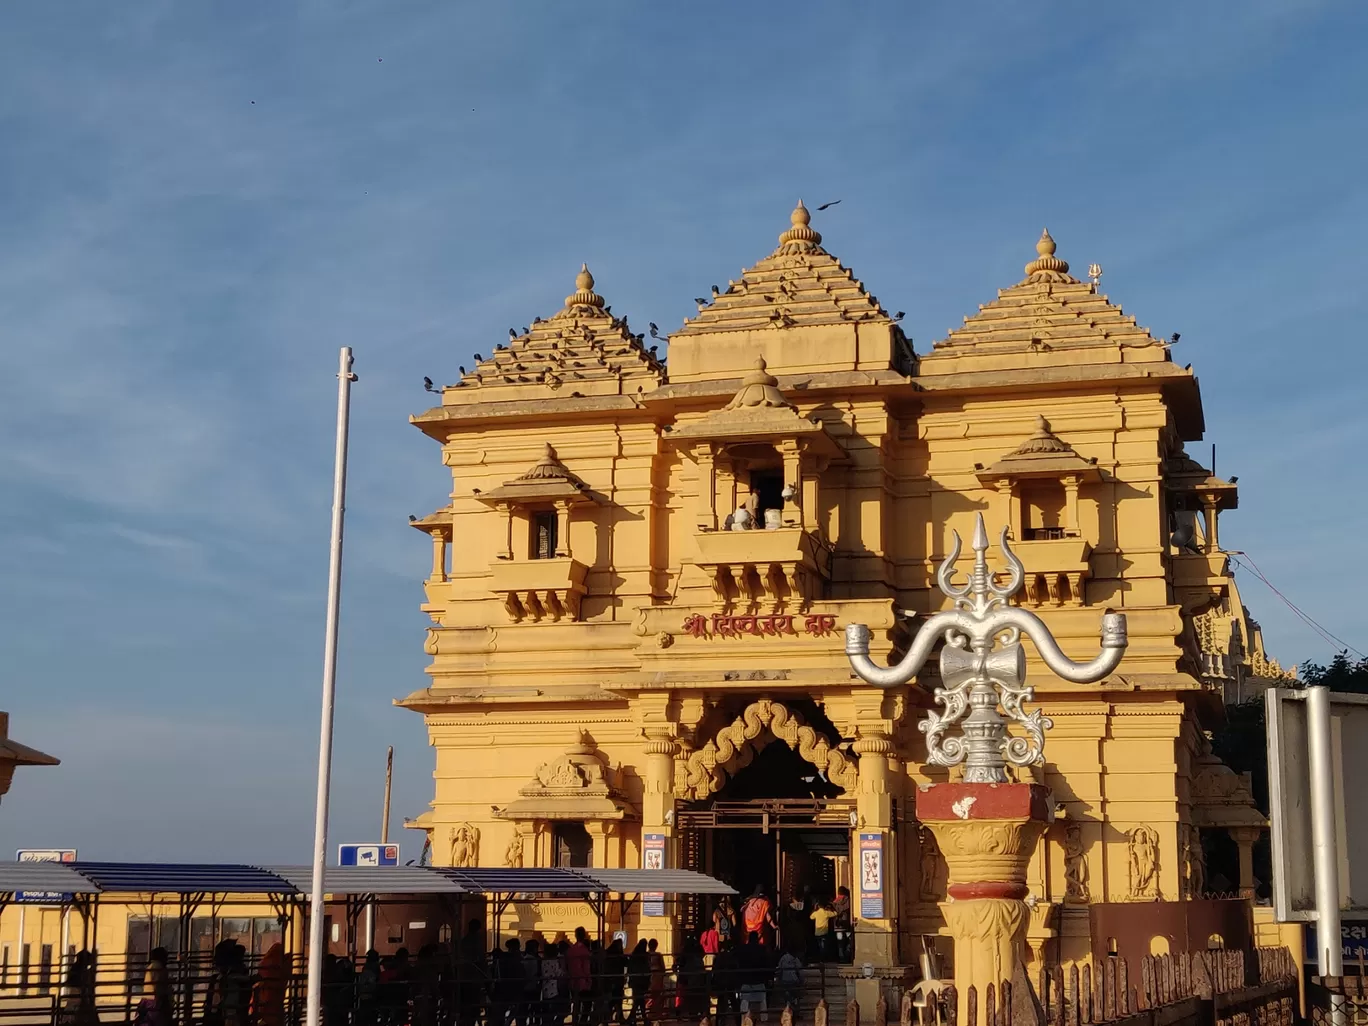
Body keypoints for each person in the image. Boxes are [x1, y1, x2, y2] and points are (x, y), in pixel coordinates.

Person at [737, 933, 771, 1022]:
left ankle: (743, 1020)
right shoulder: (762, 949)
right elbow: (767, 964)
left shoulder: (743, 949)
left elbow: (739, 964)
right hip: (759, 979)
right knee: (762, 1001)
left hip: (746, 979)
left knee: (745, 1001)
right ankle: (764, 1020)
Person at [493, 939, 524, 1026]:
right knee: (514, 1008)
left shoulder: (506, 958)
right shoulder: (518, 957)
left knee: (504, 1008)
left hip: (506, 986)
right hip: (514, 986)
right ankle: (506, 1022)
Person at [567, 928, 594, 1026]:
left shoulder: (570, 950)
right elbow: (586, 968)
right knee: (587, 1005)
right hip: (583, 981)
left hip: (573, 981)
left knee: (576, 1005)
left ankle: (575, 1022)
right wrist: (589, 980)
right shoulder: (584, 951)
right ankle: (582, 1022)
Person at [625, 940, 650, 1025]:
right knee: (639, 1001)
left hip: (635, 981)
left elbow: (629, 969)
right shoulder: (644, 956)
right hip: (642, 981)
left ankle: (633, 1019)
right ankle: (642, 1019)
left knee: (638, 1000)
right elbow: (647, 968)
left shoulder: (634, 955)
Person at [775, 946, 803, 1013]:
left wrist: (779, 979)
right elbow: (800, 971)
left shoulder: (783, 958)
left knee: (787, 996)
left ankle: (788, 1010)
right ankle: (796, 1010)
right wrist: (801, 981)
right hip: (794, 981)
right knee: (796, 996)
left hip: (785, 981)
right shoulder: (796, 959)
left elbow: (779, 970)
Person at [645, 939, 667, 1022]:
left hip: (649, 976)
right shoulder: (658, 955)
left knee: (649, 994)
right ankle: (657, 1013)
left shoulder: (646, 955)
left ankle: (648, 1011)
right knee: (657, 994)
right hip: (657, 976)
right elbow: (663, 967)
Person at [832, 887, 852, 963]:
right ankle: (847, 954)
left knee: (840, 942)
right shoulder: (848, 900)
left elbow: (833, 910)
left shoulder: (835, 901)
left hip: (837, 925)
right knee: (849, 940)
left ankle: (841, 957)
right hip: (846, 924)